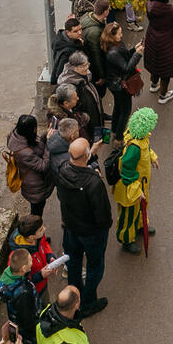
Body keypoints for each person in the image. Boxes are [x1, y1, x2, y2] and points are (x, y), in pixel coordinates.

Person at [55, 136, 112, 317]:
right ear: (86, 155)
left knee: (74, 261)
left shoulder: (62, 169)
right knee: (95, 265)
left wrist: (91, 156)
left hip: (71, 227)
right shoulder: (94, 183)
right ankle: (88, 302)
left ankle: (74, 293)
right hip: (91, 233)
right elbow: (103, 215)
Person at [113, 107, 159, 253]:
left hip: (141, 184)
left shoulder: (138, 136)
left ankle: (140, 226)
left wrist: (152, 157)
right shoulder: (134, 148)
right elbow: (127, 171)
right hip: (132, 189)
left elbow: (147, 148)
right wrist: (137, 191)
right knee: (128, 214)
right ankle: (126, 239)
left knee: (139, 209)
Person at [6, 113, 53, 216]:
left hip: (33, 182)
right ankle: (34, 229)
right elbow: (43, 166)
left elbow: (37, 142)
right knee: (36, 212)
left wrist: (46, 134)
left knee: (37, 209)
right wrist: (49, 143)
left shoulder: (18, 135)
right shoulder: (25, 152)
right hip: (35, 187)